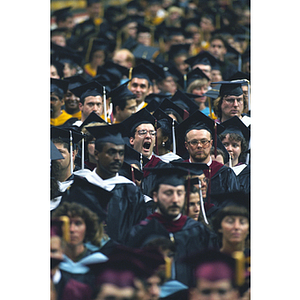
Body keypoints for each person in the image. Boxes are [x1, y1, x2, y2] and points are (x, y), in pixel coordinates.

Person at [126, 165, 218, 286]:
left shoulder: (197, 231)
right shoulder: (140, 232)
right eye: (168, 193)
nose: (175, 199)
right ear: (155, 196)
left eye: (179, 193)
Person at [61, 123, 148, 244]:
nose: (117, 158)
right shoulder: (79, 187)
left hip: (120, 257)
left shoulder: (131, 192)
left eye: (121, 153)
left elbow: (139, 231)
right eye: (111, 152)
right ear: (97, 154)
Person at [175, 110, 240, 206]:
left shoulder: (225, 173)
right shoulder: (178, 171)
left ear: (211, 144)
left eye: (204, 141)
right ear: (186, 145)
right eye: (194, 142)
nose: (199, 146)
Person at [51, 202, 109, 299]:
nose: (72, 229)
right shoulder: (53, 262)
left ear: (87, 228)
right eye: (67, 223)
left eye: (78, 223)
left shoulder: (99, 262)